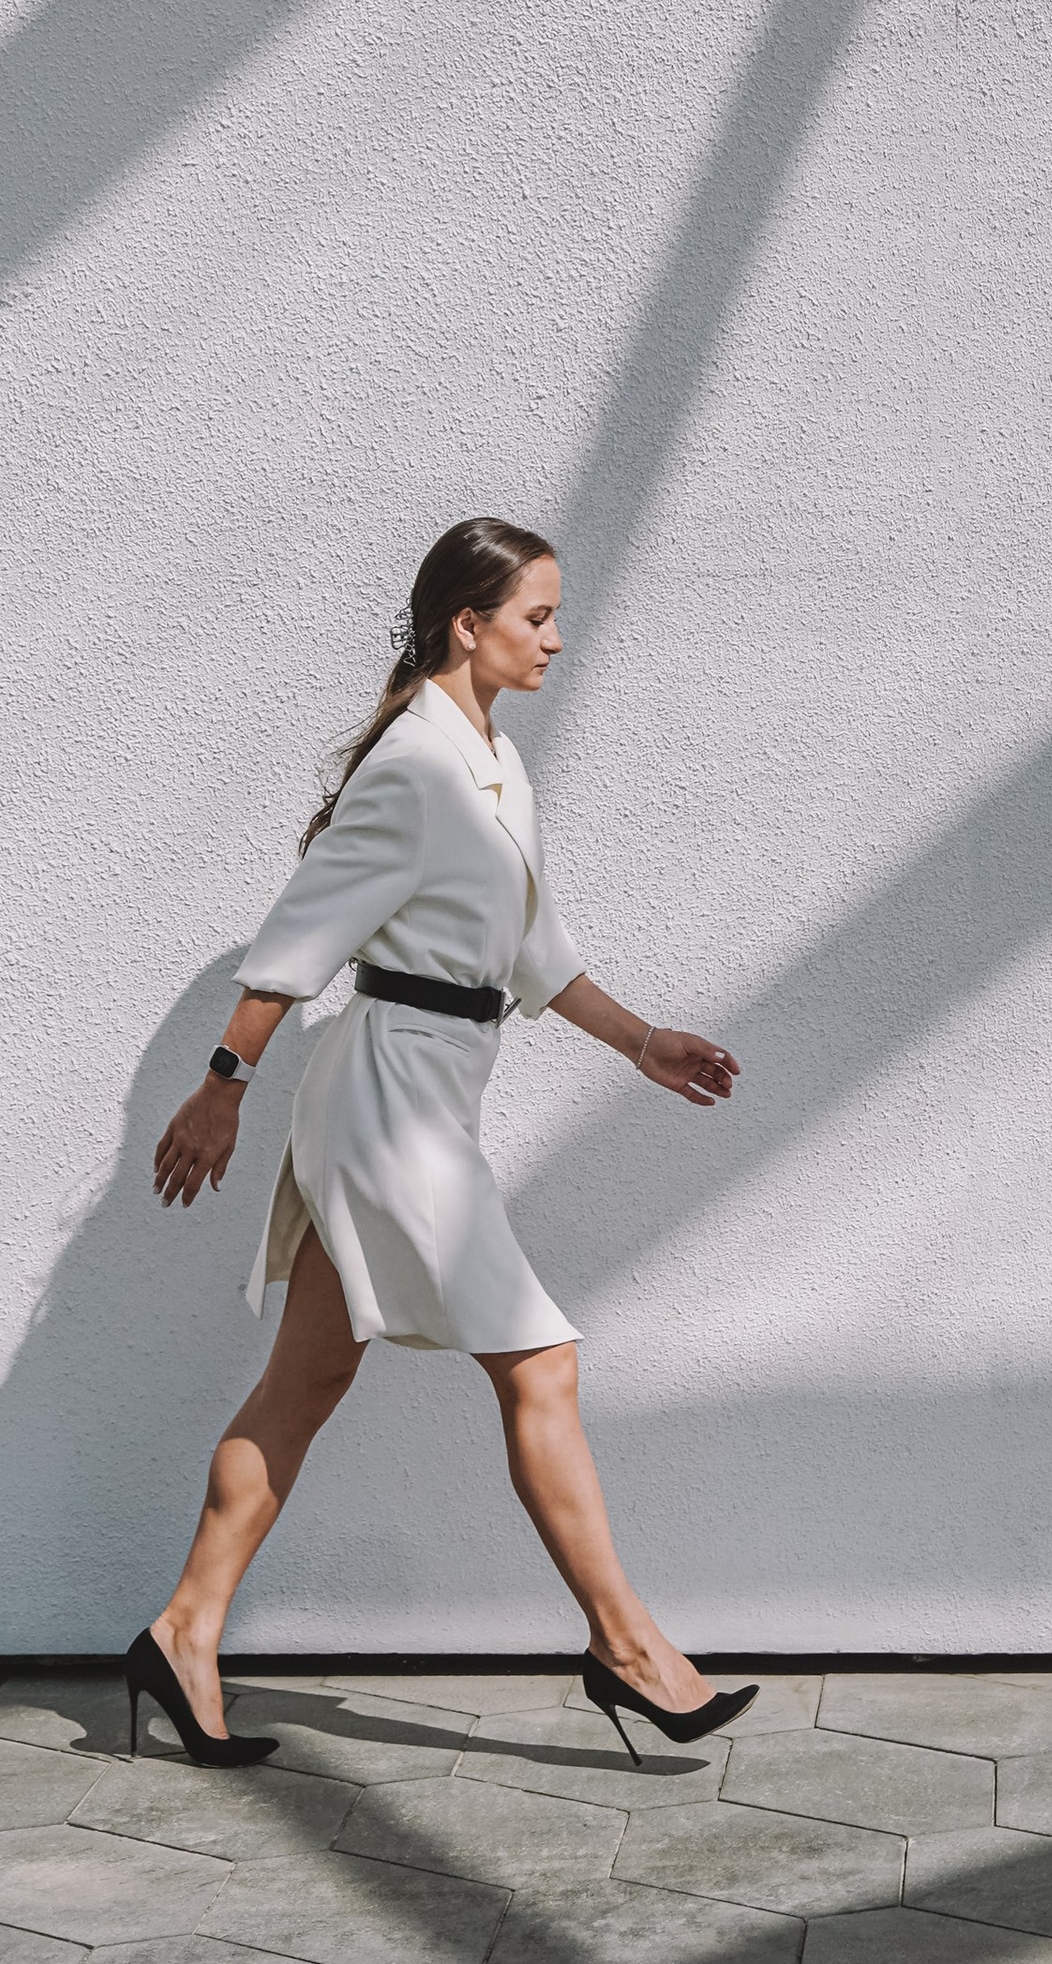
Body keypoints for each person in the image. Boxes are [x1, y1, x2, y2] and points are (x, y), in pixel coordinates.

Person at [130, 514, 755, 1768]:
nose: (557, 638)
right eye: (537, 617)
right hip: (391, 1100)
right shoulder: (415, 765)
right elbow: (300, 937)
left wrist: (643, 1043)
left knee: (306, 1382)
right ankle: (627, 1650)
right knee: (542, 1365)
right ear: (468, 626)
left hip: (425, 1087)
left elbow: (532, 956)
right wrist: (222, 1082)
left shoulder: (492, 759)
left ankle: (181, 1633)